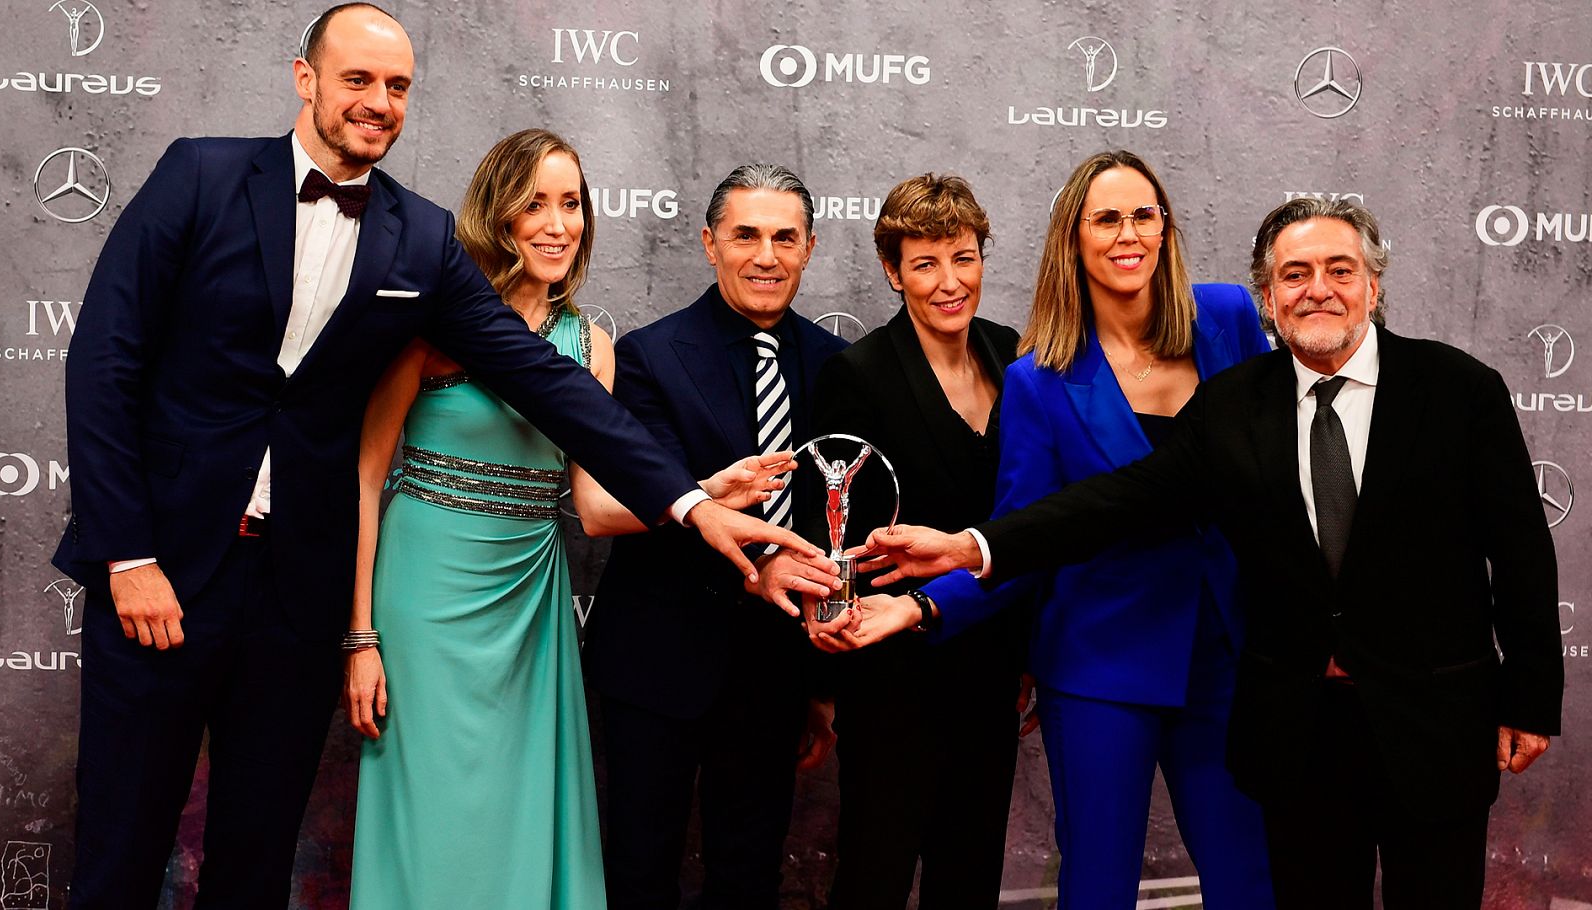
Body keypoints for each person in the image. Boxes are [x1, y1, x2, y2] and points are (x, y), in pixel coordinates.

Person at [52, 7, 814, 908]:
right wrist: (126, 555)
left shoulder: (420, 239)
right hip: (164, 575)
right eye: (358, 80)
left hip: (297, 595)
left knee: (252, 862)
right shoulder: (200, 174)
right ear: (307, 80)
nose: (379, 102)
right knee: (122, 848)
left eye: (398, 86)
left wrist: (687, 501)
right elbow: (105, 361)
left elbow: (548, 380)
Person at [854, 197, 1563, 910]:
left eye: (1339, 270)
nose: (1317, 289)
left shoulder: (1459, 389)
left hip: (1431, 719)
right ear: (1267, 298)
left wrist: (1531, 698)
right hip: (1297, 723)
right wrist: (969, 547)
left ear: (1373, 285)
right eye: (1294, 274)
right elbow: (1115, 501)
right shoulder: (1237, 405)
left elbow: (1521, 550)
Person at [340, 129, 795, 909]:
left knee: (523, 815)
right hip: (425, 601)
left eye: (572, 203)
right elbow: (364, 475)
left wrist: (704, 492)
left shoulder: (591, 345)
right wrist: (360, 635)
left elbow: (594, 507)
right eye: (535, 204)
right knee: (436, 815)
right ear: (499, 215)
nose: (558, 224)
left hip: (531, 607)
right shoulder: (436, 324)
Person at [580, 163, 847, 910]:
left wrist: (819, 688)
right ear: (709, 243)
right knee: (640, 870)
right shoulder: (648, 356)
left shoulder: (835, 367)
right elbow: (644, 496)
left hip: (773, 667)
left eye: (784, 237)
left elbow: (833, 521)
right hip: (657, 663)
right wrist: (716, 500)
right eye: (746, 235)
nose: (766, 255)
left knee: (748, 874)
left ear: (809, 248)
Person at [806, 174, 1025, 910]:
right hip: (894, 676)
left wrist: (1026, 651)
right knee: (876, 871)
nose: (949, 282)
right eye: (925, 263)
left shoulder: (1013, 356)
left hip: (992, 667)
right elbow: (830, 532)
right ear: (893, 272)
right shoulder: (857, 375)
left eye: (963, 258)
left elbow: (1026, 521)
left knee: (970, 879)